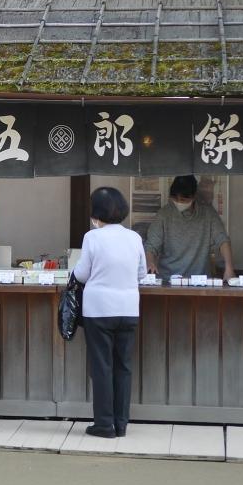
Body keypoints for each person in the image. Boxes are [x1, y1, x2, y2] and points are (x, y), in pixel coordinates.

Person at [72, 186, 146, 438]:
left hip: (99, 310)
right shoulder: (134, 238)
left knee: (102, 366)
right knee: (123, 366)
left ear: (96, 213)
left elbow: (82, 274)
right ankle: (121, 424)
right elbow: (141, 273)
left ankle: (104, 424)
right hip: (128, 309)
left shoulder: (93, 238)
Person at [144, 175, 235, 282]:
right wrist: (150, 262)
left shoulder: (208, 213)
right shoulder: (163, 214)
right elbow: (151, 246)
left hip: (199, 281)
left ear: (194, 196)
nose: (179, 202)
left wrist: (229, 268)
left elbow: (222, 240)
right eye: (175, 199)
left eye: (183, 199)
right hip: (168, 280)